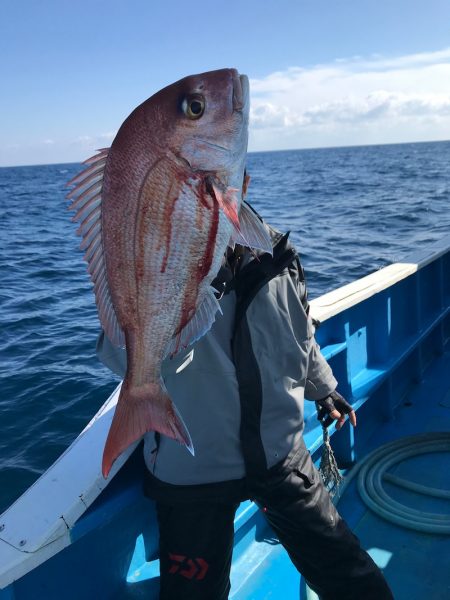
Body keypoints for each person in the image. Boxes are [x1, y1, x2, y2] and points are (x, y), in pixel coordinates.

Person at [97, 196, 393, 600]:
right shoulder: (153, 261)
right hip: (194, 466)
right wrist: (174, 287)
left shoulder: (273, 247)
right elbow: (120, 356)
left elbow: (299, 329)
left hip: (280, 454)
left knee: (351, 574)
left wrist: (323, 389)